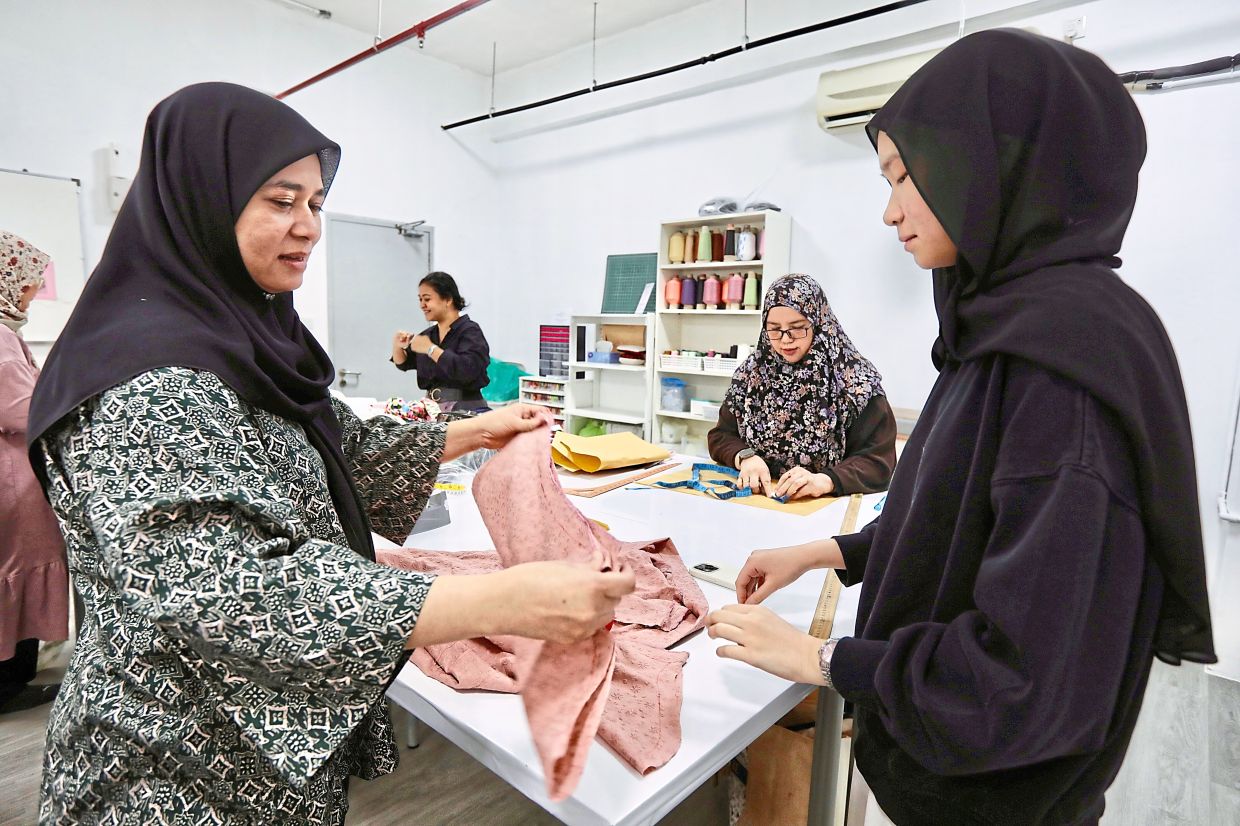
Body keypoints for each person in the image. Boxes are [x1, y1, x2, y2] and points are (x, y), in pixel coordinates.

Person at [25, 82, 635, 824]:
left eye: (315, 203)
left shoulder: (242, 340)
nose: (309, 226)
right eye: (281, 201)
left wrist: (479, 429)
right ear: (202, 203)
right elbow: (231, 592)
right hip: (171, 765)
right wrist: (507, 600)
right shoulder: (145, 379)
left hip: (259, 754)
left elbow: (333, 443)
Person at [705, 30, 1215, 826]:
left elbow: (1020, 679)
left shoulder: (1063, 377)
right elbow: (954, 521)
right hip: (944, 762)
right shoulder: (1001, 332)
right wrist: (825, 551)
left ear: (993, 167)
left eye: (905, 174)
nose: (889, 210)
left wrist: (816, 656)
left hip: (995, 795)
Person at [708, 273, 896, 499]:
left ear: (818, 324)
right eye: (774, 329)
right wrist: (746, 456)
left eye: (797, 328)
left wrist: (826, 480)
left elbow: (878, 462)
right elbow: (721, 436)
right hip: (759, 500)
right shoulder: (752, 373)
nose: (785, 340)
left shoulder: (854, 381)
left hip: (825, 505)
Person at [0, 231, 69, 714]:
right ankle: (9, 684)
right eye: (28, 283)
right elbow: (20, 410)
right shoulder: (0, 338)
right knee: (15, 578)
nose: (31, 294)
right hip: (12, 479)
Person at [391, 271, 491, 413]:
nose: (422, 305)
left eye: (427, 299)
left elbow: (466, 370)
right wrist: (397, 346)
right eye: (420, 300)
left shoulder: (470, 331)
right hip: (433, 411)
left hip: (465, 410)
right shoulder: (429, 335)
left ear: (448, 299)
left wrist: (431, 349)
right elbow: (403, 363)